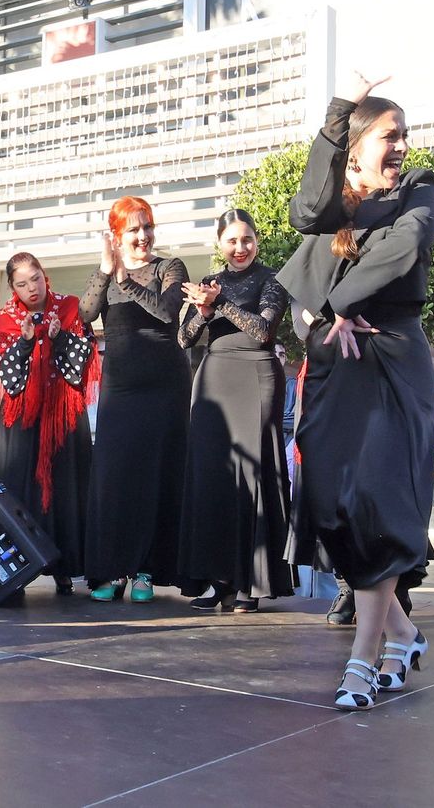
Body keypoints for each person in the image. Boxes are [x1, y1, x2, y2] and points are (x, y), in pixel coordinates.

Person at [275, 74, 434, 710]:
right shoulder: (337, 207)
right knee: (327, 501)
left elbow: (404, 248)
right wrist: (336, 115)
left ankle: (362, 661)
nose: (400, 147)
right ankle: (402, 632)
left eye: (405, 136)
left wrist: (337, 302)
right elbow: (304, 213)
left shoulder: (421, 190)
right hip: (334, 364)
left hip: (392, 358)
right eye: (389, 136)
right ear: (360, 144)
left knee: (376, 499)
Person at [176, 209, 295, 612]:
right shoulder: (210, 282)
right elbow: (184, 339)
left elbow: (263, 331)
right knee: (214, 478)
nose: (240, 248)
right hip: (215, 377)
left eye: (247, 239)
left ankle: (252, 584)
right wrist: (205, 311)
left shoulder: (271, 278)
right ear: (220, 243)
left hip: (257, 376)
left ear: (256, 240)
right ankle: (218, 580)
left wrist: (221, 302)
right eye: (232, 240)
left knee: (254, 471)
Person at [81, 196, 191, 602]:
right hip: (121, 388)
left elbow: (167, 313)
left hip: (165, 387)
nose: (143, 235)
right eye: (134, 229)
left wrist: (126, 280)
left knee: (156, 476)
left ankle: (146, 569)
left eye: (147, 227)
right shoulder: (107, 273)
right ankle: (112, 570)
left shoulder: (170, 267)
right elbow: (84, 315)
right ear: (117, 235)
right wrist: (107, 271)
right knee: (114, 478)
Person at [0, 252, 98, 594]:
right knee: (17, 492)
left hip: (63, 417)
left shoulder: (69, 307)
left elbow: (84, 360)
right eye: (21, 284)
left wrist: (59, 337)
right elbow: (8, 376)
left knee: (67, 491)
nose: (31, 288)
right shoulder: (6, 317)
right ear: (12, 287)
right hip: (22, 421)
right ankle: (14, 569)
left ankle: (66, 569)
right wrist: (24, 342)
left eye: (35, 279)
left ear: (44, 275)